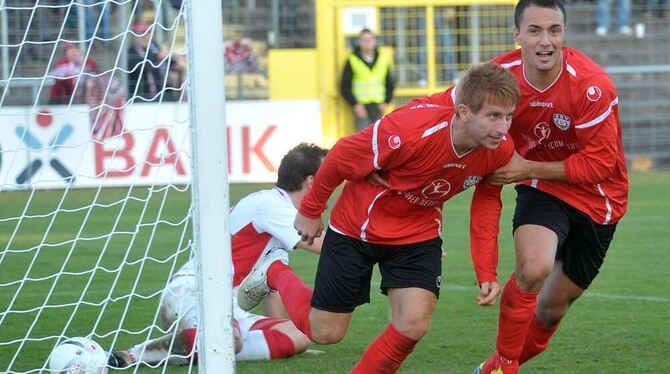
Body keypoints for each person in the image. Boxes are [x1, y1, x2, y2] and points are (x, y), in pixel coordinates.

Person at [237, 62, 520, 373]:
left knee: (413, 323)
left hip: (418, 232)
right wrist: (310, 209)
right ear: (464, 112)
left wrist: (486, 269)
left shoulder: (500, 149)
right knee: (325, 332)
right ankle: (274, 271)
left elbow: (487, 205)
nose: (502, 128)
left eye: (508, 117)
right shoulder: (411, 131)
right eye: (493, 116)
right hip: (356, 228)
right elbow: (342, 154)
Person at [460, 0, 628, 372]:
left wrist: (525, 166)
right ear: (517, 34)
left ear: (564, 34)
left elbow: (600, 165)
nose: (545, 41)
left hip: (599, 200)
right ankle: (506, 367)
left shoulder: (592, 86)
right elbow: (447, 109)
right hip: (542, 188)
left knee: (551, 309)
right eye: (534, 30)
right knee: (533, 268)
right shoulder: (499, 76)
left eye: (554, 30)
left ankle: (489, 368)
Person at [107, 143, 328, 367]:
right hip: (195, 293)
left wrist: (280, 338)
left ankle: (207, 345)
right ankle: (129, 356)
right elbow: (327, 246)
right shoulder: (272, 206)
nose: (331, 186)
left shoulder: (274, 208)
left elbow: (270, 290)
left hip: (228, 306)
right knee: (226, 340)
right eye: (328, 178)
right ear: (312, 182)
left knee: (299, 335)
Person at [340, 28, 395, 131]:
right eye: (364, 40)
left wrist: (386, 101)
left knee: (380, 136)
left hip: (379, 106)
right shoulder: (352, 60)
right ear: (360, 42)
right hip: (361, 107)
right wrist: (355, 105)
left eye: (370, 40)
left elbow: (390, 83)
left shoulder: (383, 60)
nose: (367, 43)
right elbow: (345, 85)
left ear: (375, 41)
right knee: (363, 139)